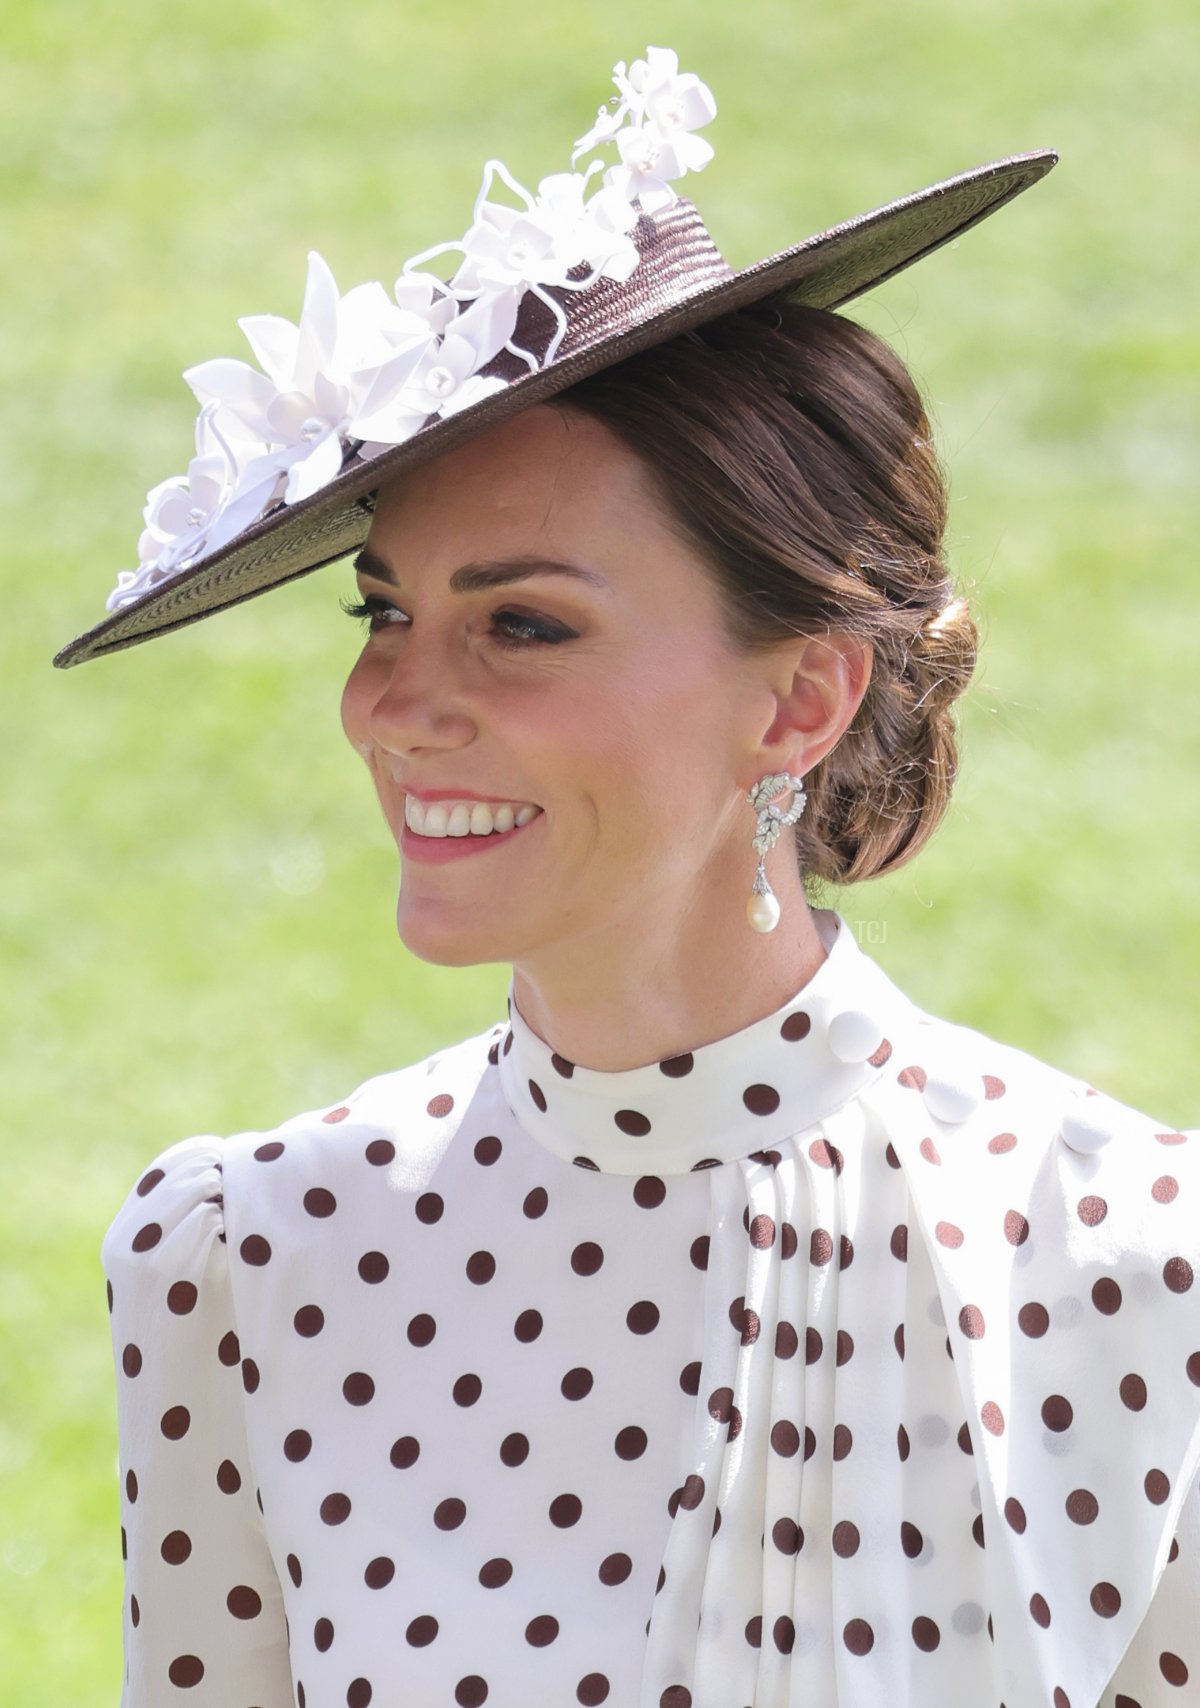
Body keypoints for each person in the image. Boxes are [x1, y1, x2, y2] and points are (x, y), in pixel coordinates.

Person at [60, 47, 1197, 1708]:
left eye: (522, 624)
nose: (393, 705)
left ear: (798, 699)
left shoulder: (1136, 1267)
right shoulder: (246, 1261)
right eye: (383, 610)